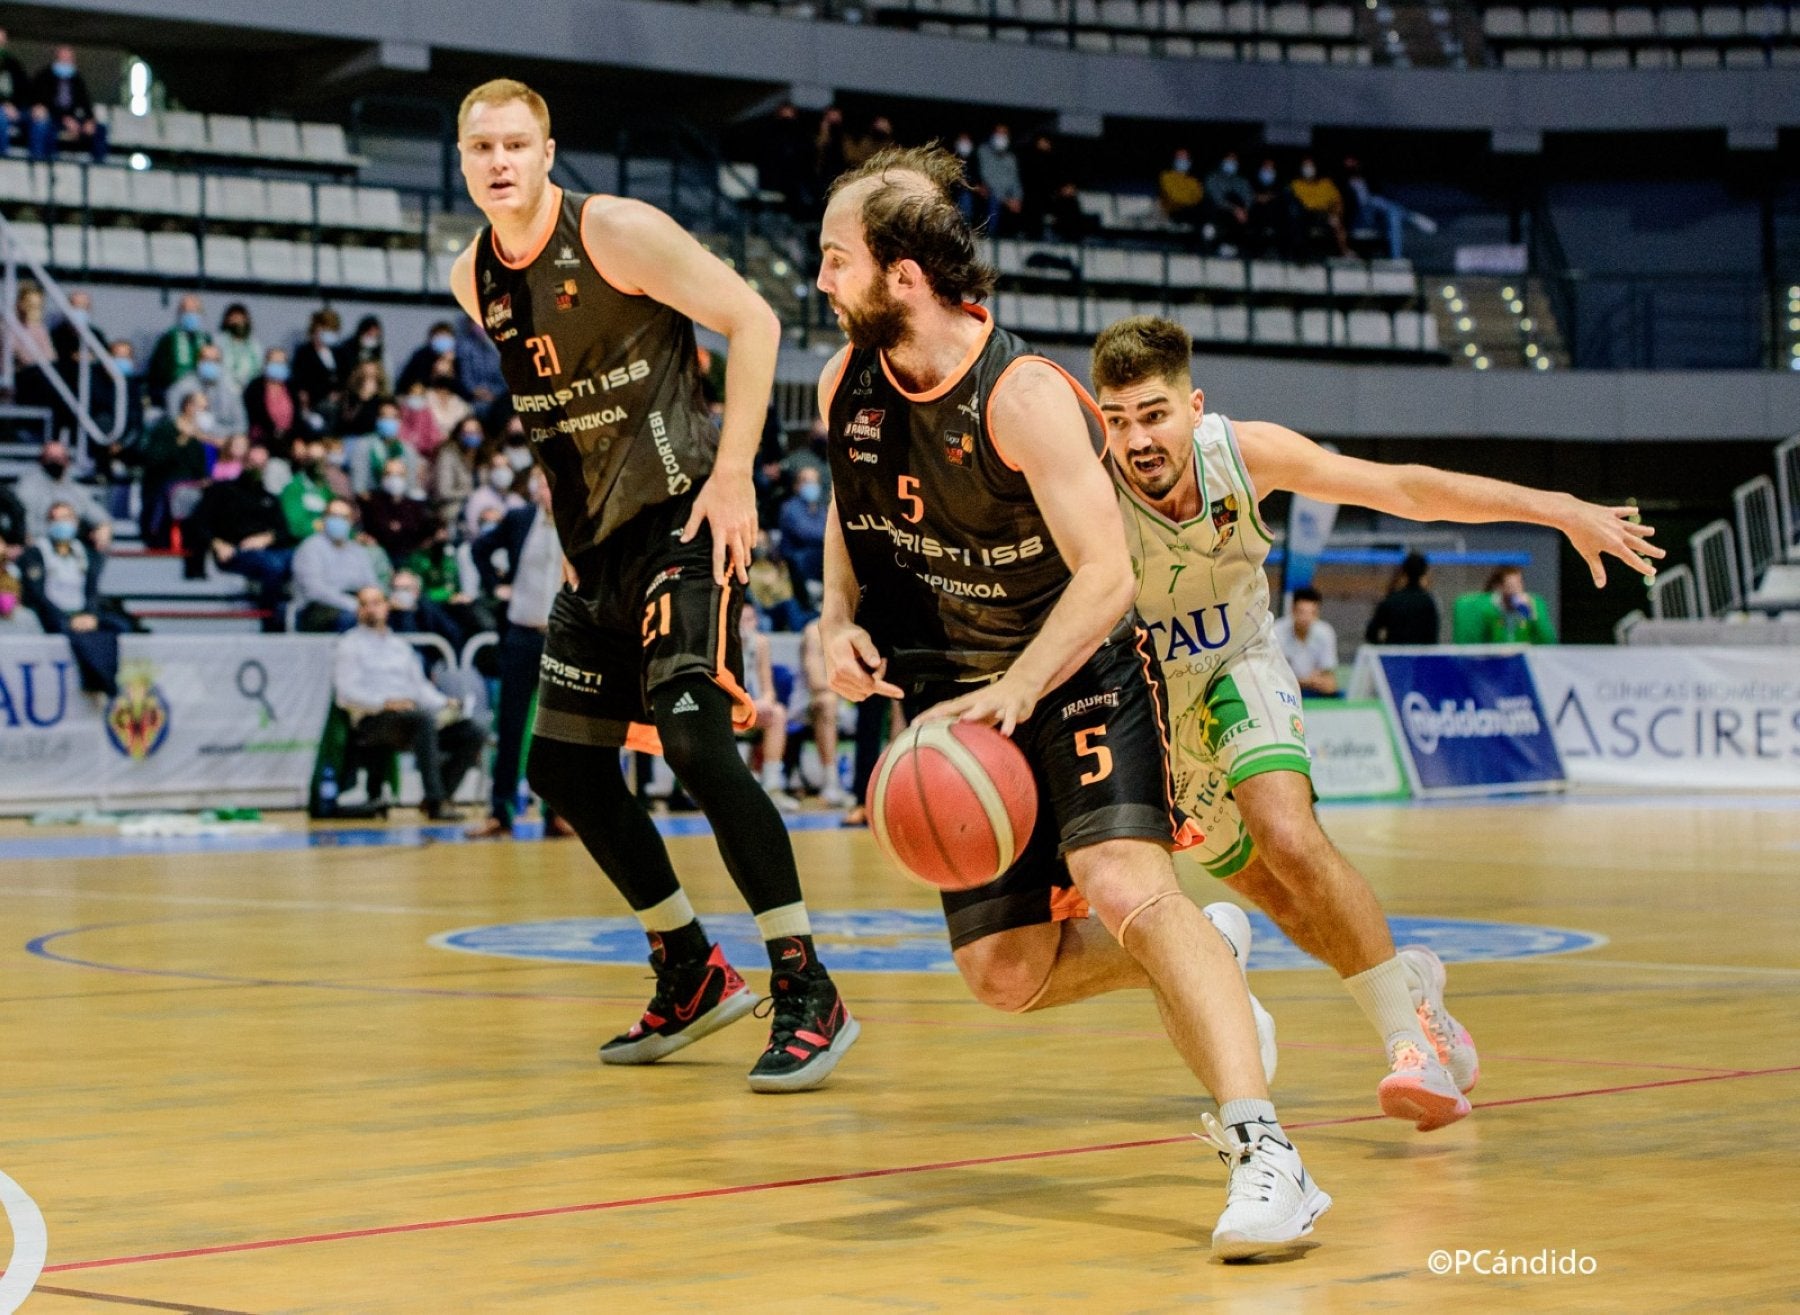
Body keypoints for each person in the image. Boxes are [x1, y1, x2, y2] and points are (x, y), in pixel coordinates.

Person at [815, 145, 1323, 1257]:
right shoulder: (843, 386)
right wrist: (834, 618)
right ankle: (1210, 951)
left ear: (901, 275)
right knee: (1004, 976)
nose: (819, 277)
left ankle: (1267, 1153)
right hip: (961, 702)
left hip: (1075, 670)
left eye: (834, 257)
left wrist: (1020, 685)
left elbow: (1108, 576)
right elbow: (850, 523)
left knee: (1127, 888)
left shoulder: (1025, 393)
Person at [1088, 315, 1662, 1129]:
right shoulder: (1086, 486)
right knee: (1286, 906)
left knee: (1288, 834)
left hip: (1239, 667)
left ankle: (1409, 1047)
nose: (1137, 437)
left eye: (1153, 413)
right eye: (1117, 419)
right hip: (1157, 709)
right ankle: (1414, 988)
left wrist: (1556, 508)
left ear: (1193, 407)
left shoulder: (1242, 452)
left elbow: (1405, 489)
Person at [450, 77, 855, 1091]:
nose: (498, 162)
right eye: (479, 148)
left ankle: (806, 983)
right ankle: (688, 964)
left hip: (684, 518)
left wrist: (735, 475)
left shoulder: (617, 230)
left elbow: (753, 321)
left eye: (515, 144)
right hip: (593, 553)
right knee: (562, 768)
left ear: (548, 153)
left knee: (693, 743)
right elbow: (550, 406)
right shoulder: (473, 278)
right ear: (464, 162)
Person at [333, 584, 484, 820]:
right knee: (421, 720)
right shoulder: (349, 644)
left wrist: (445, 703)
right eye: (364, 604)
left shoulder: (399, 646)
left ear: (387, 607)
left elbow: (419, 688)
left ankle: (441, 795)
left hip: (410, 718)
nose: (371, 609)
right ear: (358, 611)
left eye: (376, 602)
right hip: (373, 720)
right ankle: (436, 802)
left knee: (472, 731)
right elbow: (346, 693)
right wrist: (385, 703)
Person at [18, 500, 132, 693]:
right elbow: (37, 596)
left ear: (76, 522)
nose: (62, 524)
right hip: (53, 616)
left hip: (83, 614)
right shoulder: (36, 553)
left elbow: (91, 590)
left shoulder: (85, 553)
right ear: (48, 524)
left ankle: (105, 680)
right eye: (56, 519)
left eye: (67, 518)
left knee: (119, 626)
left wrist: (90, 614)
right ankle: (99, 683)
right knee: (78, 636)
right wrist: (67, 619)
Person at [196, 445, 294, 630]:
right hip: (234, 551)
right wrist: (216, 544)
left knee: (300, 559)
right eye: (253, 463)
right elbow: (199, 524)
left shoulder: (270, 498)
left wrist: (266, 538)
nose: (257, 468)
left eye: (262, 464)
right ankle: (270, 622)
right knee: (273, 565)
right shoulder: (222, 491)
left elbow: (283, 531)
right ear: (243, 462)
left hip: (268, 549)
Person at [737, 604, 798, 812]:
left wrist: (765, 702)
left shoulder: (761, 643)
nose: (745, 625)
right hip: (728, 709)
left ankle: (772, 787)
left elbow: (768, 689)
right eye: (740, 620)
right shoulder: (722, 642)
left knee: (778, 713)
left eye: (749, 620)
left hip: (752, 709)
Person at [292, 497, 381, 632]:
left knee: (394, 614)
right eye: (334, 516)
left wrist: (373, 604)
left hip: (356, 603)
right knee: (350, 617)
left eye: (344, 517)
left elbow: (371, 584)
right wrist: (354, 605)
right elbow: (315, 591)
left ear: (351, 521)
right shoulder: (310, 547)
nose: (338, 521)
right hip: (317, 608)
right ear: (324, 519)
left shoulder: (358, 550)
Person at [138, 391, 212, 548]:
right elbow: (154, 459)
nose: (204, 413)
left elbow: (200, 468)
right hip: (164, 484)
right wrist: (181, 440)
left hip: (192, 484)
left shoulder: (198, 437)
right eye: (201, 408)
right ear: (188, 407)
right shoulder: (165, 430)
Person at [14, 440, 110, 547]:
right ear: (41, 460)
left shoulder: (76, 490)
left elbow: (100, 517)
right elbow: (25, 528)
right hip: (40, 547)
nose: (56, 461)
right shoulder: (27, 487)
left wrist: (103, 528)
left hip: (70, 549)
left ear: (67, 461)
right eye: (51, 458)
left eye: (60, 458)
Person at [27, 45, 106, 162]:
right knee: (44, 127)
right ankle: (46, 162)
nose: (66, 62)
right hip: (52, 117)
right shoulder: (44, 76)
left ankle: (99, 164)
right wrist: (64, 119)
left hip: (72, 119)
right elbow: (43, 103)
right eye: (63, 59)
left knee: (100, 129)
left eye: (68, 59)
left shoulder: (76, 79)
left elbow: (85, 102)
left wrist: (90, 120)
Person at [358, 456, 438, 561]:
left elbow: (424, 535)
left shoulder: (415, 506)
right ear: (382, 477)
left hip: (409, 559)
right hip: (379, 557)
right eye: (389, 474)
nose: (394, 479)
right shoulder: (370, 504)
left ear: (406, 477)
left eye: (399, 475)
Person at [1453, 566, 1558, 644]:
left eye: (1519, 585)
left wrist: (1534, 616)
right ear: (1499, 587)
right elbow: (1474, 645)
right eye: (1511, 586)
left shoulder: (1532, 605)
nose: (1516, 591)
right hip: (1493, 664)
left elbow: (1549, 642)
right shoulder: (1484, 609)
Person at [166, 343, 248, 439]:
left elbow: (241, 426)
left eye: (215, 361)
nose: (211, 364)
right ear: (198, 361)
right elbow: (173, 422)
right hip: (191, 440)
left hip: (224, 442)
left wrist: (216, 434)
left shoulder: (230, 388)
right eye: (206, 359)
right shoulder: (180, 388)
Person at [1273, 586, 1339, 697]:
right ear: (1293, 610)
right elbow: (1273, 676)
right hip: (1284, 690)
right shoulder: (1276, 631)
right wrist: (1303, 682)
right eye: (1302, 612)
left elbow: (1329, 679)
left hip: (1313, 690)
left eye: (1312, 613)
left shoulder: (1325, 632)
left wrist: (1316, 681)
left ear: (1317, 613)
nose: (1306, 618)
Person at [1366, 551, 1439, 644]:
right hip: (1419, 656)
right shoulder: (1428, 602)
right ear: (1423, 574)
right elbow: (1432, 638)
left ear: (1404, 574)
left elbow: (1371, 633)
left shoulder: (1391, 601)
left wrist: (1383, 647)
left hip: (1393, 656)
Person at [146, 294, 209, 400]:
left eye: (194, 310)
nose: (190, 314)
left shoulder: (206, 339)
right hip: (174, 393)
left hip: (203, 393)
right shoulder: (168, 339)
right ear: (179, 313)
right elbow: (157, 372)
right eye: (186, 310)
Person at [776, 465, 828, 592]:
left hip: (819, 563)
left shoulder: (821, 509)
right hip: (796, 565)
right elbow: (806, 533)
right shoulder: (790, 508)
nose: (811, 485)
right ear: (796, 485)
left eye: (814, 481)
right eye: (806, 481)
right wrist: (829, 536)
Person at [290, 309, 344, 421]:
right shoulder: (304, 353)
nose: (329, 333)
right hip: (316, 405)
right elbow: (301, 384)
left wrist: (339, 394)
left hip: (338, 405)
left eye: (332, 330)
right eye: (325, 329)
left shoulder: (339, 353)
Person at [1288, 156, 1348, 259]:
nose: (1308, 169)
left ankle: (1344, 251)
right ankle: (1300, 255)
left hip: (1323, 214)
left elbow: (1337, 202)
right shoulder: (1296, 184)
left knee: (1335, 222)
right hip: (1305, 215)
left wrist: (1335, 214)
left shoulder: (1326, 183)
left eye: (1310, 165)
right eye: (1305, 166)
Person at [974, 124, 1022, 236]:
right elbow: (987, 177)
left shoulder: (1011, 158)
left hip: (1007, 198)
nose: (1001, 136)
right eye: (998, 133)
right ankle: (990, 235)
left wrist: (1017, 198)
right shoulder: (983, 152)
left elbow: (1015, 181)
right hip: (990, 195)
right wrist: (1005, 200)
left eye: (1004, 133)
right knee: (993, 202)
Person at [1202, 152, 1253, 253]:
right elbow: (1217, 199)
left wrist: (1244, 210)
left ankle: (1235, 246)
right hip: (1220, 212)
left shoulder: (1242, 181)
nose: (1231, 163)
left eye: (1234, 161)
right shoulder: (1213, 178)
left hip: (1240, 216)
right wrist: (1235, 209)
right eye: (1229, 160)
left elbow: (1248, 197)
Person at [215, 303, 263, 394]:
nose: (239, 322)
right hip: (225, 391)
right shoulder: (219, 342)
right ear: (227, 321)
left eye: (242, 319)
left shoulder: (254, 345)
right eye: (235, 319)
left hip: (250, 392)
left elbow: (258, 371)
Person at [1158, 148, 1204, 227]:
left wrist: (1190, 203)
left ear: (1189, 161)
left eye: (1184, 158)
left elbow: (1198, 198)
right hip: (1172, 213)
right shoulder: (1166, 176)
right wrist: (1188, 201)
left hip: (1191, 214)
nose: (1182, 161)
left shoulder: (1194, 181)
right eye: (1179, 158)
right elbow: (1173, 197)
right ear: (1174, 160)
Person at [0, 29, 28, 152]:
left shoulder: (13, 63)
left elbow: (24, 89)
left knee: (41, 120)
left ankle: (40, 163)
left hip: (15, 108)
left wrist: (15, 107)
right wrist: (4, 105)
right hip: (2, 110)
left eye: (2, 40)